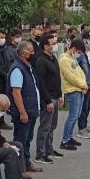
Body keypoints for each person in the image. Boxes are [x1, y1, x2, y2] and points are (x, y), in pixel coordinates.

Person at [8, 41, 42, 173]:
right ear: (23, 53)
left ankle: (26, 163)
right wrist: (22, 112)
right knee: (20, 141)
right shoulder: (17, 69)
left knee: (27, 139)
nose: (33, 53)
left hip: (31, 109)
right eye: (31, 51)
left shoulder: (27, 66)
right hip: (24, 111)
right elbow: (16, 93)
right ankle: (18, 169)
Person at [33, 34, 63, 165]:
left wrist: (60, 94)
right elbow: (41, 83)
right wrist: (47, 101)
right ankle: (40, 153)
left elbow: (57, 78)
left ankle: (49, 149)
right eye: (52, 43)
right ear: (46, 46)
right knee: (45, 126)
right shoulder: (40, 61)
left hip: (56, 95)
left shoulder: (53, 58)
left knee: (52, 125)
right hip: (48, 98)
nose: (55, 45)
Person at [59, 38, 88, 151]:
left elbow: (79, 73)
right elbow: (70, 77)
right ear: (74, 49)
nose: (79, 55)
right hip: (72, 91)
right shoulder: (64, 60)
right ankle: (65, 140)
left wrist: (83, 85)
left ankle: (69, 137)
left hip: (78, 89)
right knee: (72, 116)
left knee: (77, 115)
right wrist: (83, 85)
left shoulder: (71, 58)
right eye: (79, 52)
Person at [76, 32, 90, 137]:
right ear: (84, 40)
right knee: (83, 107)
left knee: (88, 106)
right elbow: (75, 68)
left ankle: (85, 125)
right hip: (85, 84)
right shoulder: (80, 54)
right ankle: (81, 128)